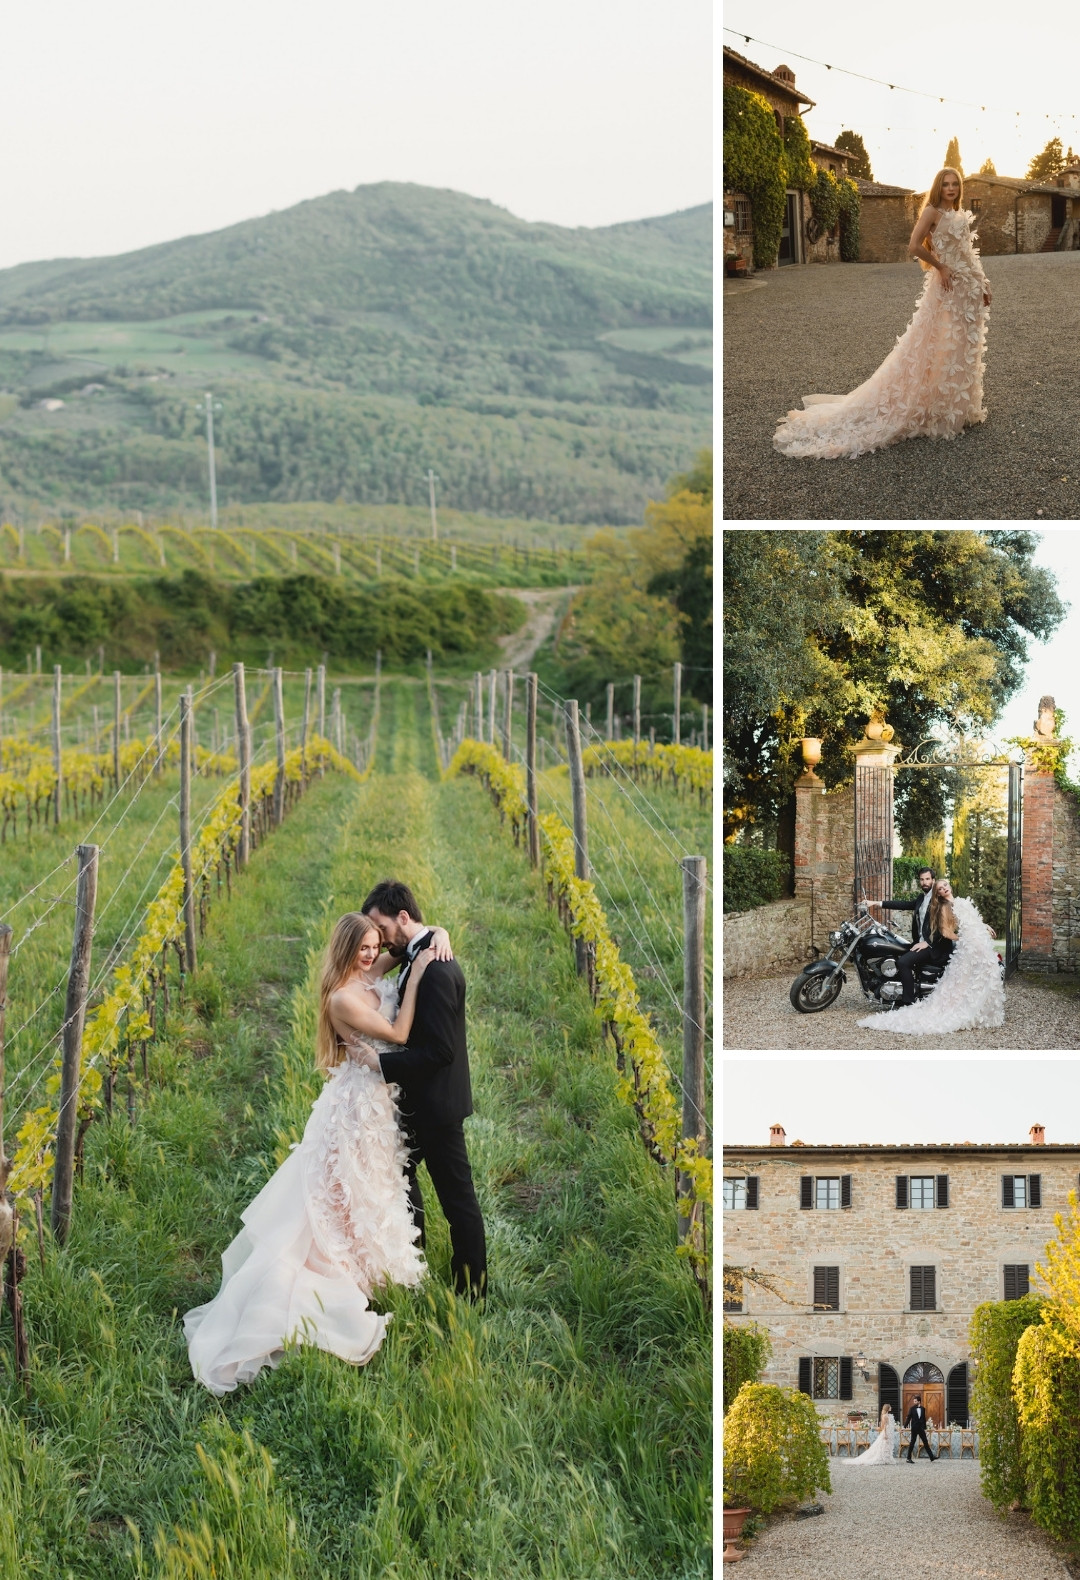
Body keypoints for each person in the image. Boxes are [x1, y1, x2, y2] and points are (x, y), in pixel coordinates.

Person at [184, 912, 449, 1394]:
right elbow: (399, 1035)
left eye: (374, 946)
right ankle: (341, 1275)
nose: (372, 955)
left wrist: (436, 939)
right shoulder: (343, 996)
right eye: (363, 948)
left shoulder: (367, 974)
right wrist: (421, 979)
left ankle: (371, 1268)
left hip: (375, 1103)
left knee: (373, 1187)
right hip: (354, 1108)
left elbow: (407, 949)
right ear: (344, 950)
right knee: (346, 1189)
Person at [773, 168, 992, 460]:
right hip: (946, 288)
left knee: (963, 346)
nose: (951, 189)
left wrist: (983, 282)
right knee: (937, 346)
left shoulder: (960, 213)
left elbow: (967, 252)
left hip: (968, 289)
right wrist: (940, 266)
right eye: (946, 184)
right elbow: (914, 246)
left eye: (955, 185)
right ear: (938, 187)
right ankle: (938, 410)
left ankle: (958, 406)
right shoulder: (931, 212)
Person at [359, 879, 488, 1301]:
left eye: (380, 926)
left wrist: (380, 1064)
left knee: (458, 1200)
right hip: (420, 1101)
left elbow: (439, 1052)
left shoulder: (433, 970)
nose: (377, 937)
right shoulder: (420, 950)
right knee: (401, 1178)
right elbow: (409, 944)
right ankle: (411, 1263)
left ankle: (472, 1291)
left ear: (401, 917)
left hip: (438, 1105)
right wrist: (437, 930)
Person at [858, 879, 1004, 1035]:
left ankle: (979, 1010)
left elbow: (970, 922)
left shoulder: (960, 902)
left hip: (966, 945)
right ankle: (909, 1001)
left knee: (977, 978)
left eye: (945, 885)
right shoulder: (943, 906)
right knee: (962, 981)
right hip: (965, 944)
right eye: (940, 888)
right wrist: (965, 938)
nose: (944, 889)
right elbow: (945, 931)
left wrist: (984, 926)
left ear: (949, 885)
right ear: (938, 892)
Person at [843, 1403, 898, 1468]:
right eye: (890, 1407)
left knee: (887, 1446)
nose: (891, 1407)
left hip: (889, 1432)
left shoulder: (887, 1415)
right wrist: (885, 1434)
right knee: (884, 1445)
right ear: (888, 1408)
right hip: (886, 1433)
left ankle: (887, 1458)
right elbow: (884, 1426)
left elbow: (889, 1425)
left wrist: (896, 1429)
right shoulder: (885, 1416)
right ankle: (884, 1458)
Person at [906, 1397, 936, 1463]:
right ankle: (908, 1458)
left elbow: (924, 1419)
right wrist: (904, 1426)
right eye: (914, 1401)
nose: (914, 1402)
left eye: (915, 1401)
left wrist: (925, 1428)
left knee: (925, 1442)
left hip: (921, 1428)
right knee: (912, 1443)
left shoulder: (923, 1409)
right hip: (914, 1428)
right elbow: (908, 1418)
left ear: (919, 1401)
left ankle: (931, 1457)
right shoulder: (912, 1409)